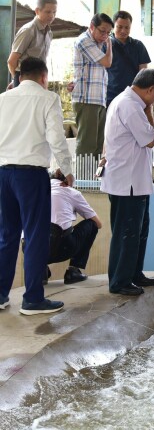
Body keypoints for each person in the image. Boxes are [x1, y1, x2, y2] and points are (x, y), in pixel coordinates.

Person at [0, 57, 73, 315]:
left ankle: (0, 295)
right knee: (35, 237)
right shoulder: (48, 98)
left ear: (20, 77)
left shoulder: (3, 98)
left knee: (7, 236)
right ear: (44, 77)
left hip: (4, 174)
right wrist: (67, 169)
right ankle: (32, 299)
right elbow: (56, 137)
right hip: (31, 176)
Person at [101, 68, 154, 296]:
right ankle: (120, 281)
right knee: (127, 232)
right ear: (149, 89)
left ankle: (134, 274)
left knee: (138, 230)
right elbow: (150, 139)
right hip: (127, 183)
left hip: (134, 181)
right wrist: (150, 111)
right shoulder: (130, 106)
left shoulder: (129, 103)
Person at [69, 13, 114, 159]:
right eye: (102, 31)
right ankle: (82, 180)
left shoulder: (99, 44)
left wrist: (106, 44)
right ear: (92, 26)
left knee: (98, 145)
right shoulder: (84, 40)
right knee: (87, 145)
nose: (105, 36)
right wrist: (110, 46)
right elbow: (107, 62)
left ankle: (93, 180)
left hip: (98, 99)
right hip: (87, 99)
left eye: (108, 33)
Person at [47, 171, 102, 284]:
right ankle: (74, 271)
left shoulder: (35, 190)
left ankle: (40, 271)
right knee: (91, 225)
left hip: (30, 250)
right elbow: (98, 223)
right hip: (59, 250)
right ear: (68, 180)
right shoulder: (71, 192)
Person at [7, 0, 57, 90]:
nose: (52, 15)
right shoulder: (28, 30)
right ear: (37, 11)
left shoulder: (49, 33)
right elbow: (11, 61)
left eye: (54, 12)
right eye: (48, 12)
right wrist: (16, 81)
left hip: (40, 78)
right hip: (24, 79)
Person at [106, 10, 151, 108]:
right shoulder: (105, 45)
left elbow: (144, 73)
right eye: (120, 27)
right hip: (110, 96)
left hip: (132, 97)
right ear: (113, 26)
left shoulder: (138, 46)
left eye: (127, 27)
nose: (123, 31)